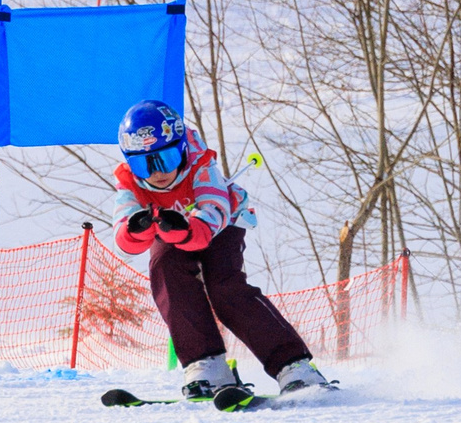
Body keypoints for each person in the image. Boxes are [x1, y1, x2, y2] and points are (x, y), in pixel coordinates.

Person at [113, 99, 334, 406]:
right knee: (165, 268)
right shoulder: (130, 183)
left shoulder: (201, 166)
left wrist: (185, 229)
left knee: (224, 286)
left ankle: (293, 366)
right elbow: (123, 235)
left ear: (181, 148)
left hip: (221, 225)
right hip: (172, 230)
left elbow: (214, 212)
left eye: (165, 158)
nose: (157, 172)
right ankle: (207, 365)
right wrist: (135, 229)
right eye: (143, 164)